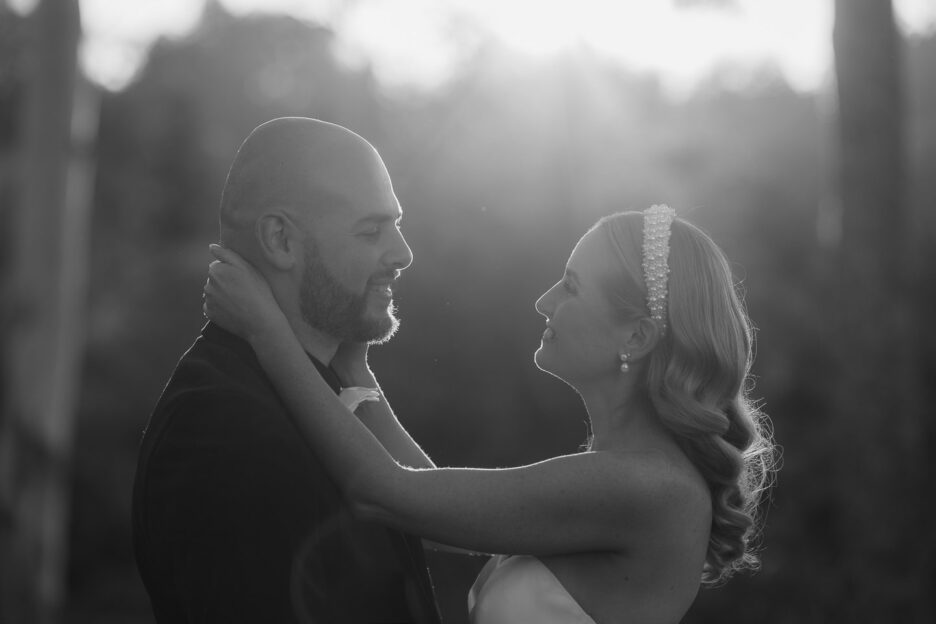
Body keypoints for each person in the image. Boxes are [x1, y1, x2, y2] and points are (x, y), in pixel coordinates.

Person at [203, 204, 777, 624]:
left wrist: (266, 332)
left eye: (571, 287)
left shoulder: (646, 485)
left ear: (638, 335)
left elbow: (384, 494)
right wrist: (357, 374)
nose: (544, 300)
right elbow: (435, 513)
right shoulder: (626, 472)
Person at [132, 117, 443, 623]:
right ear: (281, 240)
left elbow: (427, 504)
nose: (403, 253)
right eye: (371, 231)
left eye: (397, 225)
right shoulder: (223, 430)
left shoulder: (309, 390)